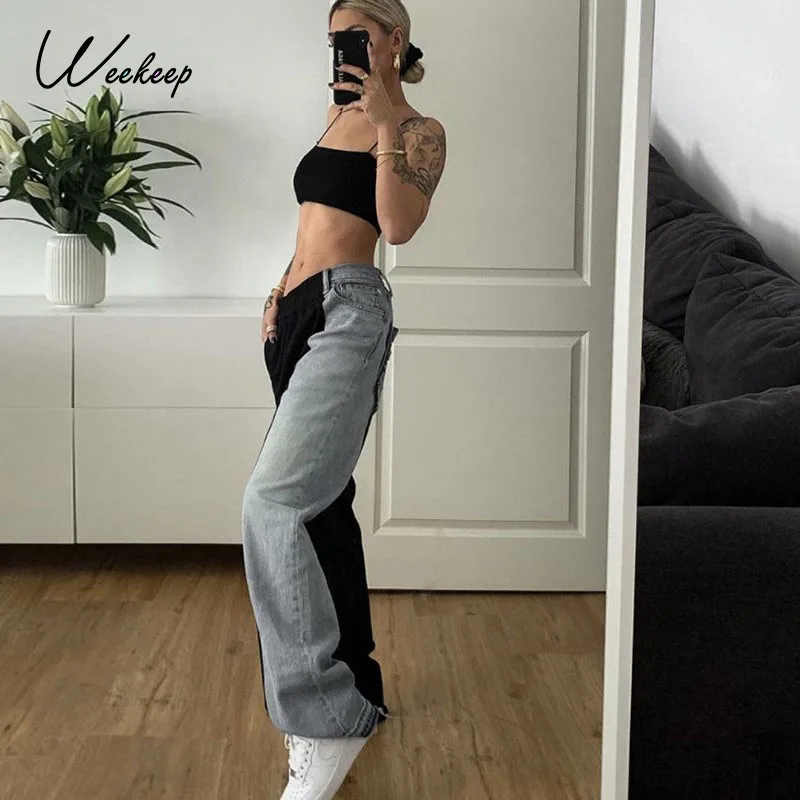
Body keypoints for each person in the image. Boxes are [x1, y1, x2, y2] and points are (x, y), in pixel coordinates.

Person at [240, 1, 446, 798]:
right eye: (333, 38)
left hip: (350, 312)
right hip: (295, 314)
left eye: (355, 35)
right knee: (322, 507)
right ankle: (358, 683)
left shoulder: (419, 129)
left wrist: (387, 114)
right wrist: (277, 291)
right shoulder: (333, 119)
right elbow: (313, 222)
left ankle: (325, 723)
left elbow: (397, 226)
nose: (340, 48)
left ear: (392, 39)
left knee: (273, 503)